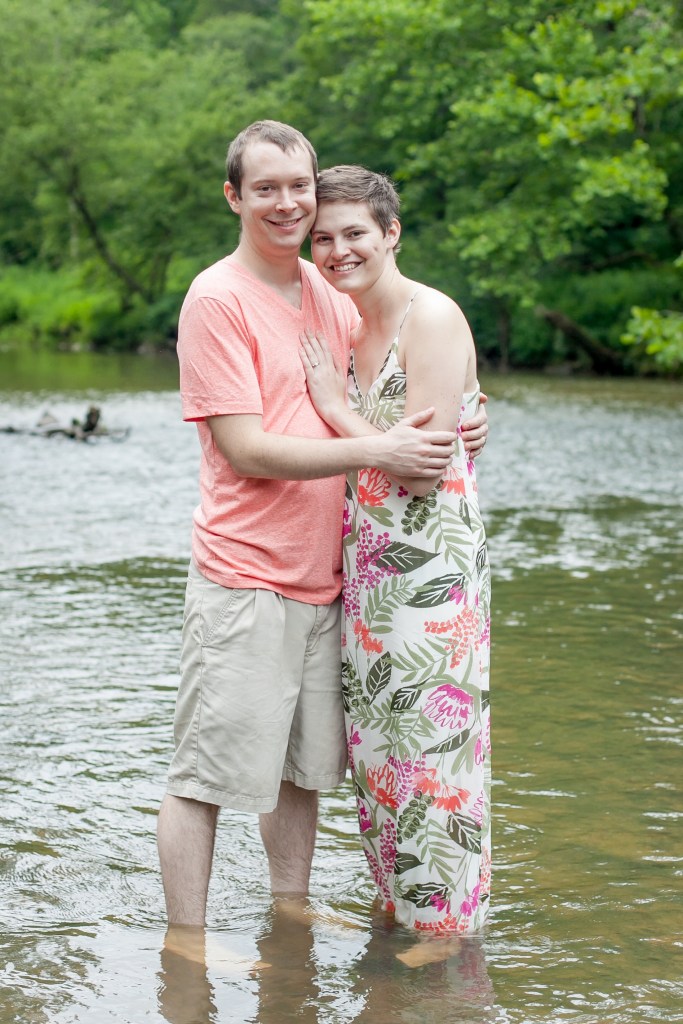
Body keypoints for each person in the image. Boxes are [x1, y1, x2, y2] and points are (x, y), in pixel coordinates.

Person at [156, 121, 489, 927]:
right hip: (247, 573)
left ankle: (289, 919)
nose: (286, 203)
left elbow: (413, 371)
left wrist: (472, 411)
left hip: (339, 579)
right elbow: (244, 449)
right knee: (203, 778)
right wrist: (379, 445)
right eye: (264, 188)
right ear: (233, 196)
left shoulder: (325, 289)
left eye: (297, 186)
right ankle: (186, 947)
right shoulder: (216, 298)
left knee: (301, 774)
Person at [299, 165, 491, 934]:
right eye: (323, 238)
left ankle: (447, 933)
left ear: (391, 233)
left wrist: (332, 405)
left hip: (431, 573)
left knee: (432, 748)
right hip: (369, 574)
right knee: (379, 751)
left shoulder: (430, 316)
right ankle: (401, 910)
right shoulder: (343, 326)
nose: (338, 250)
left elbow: (419, 469)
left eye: (355, 233)